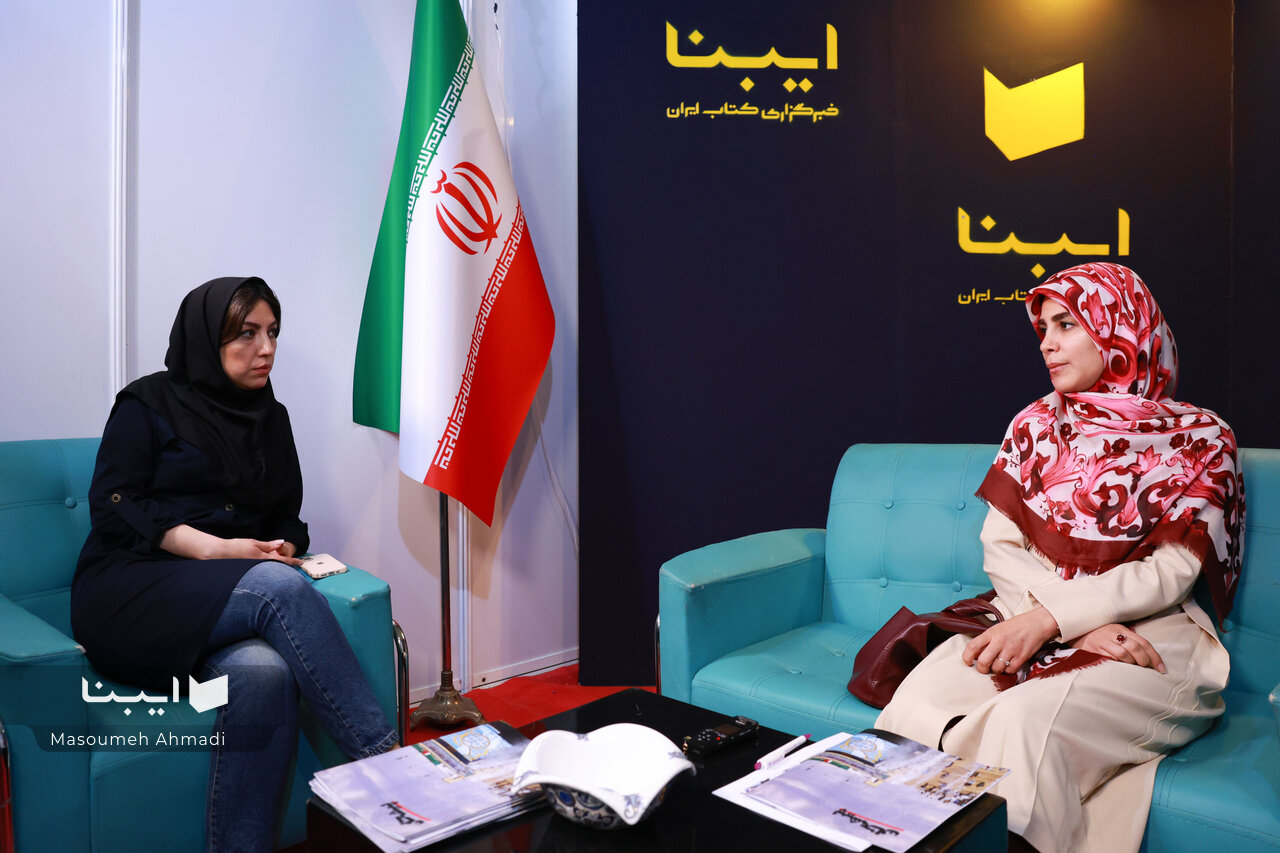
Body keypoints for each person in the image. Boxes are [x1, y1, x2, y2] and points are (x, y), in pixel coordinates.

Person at [876, 263, 1244, 853]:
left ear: (1119, 328)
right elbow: (1001, 547)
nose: (1046, 342)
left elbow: (1173, 571)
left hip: (1147, 634)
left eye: (1067, 324)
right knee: (917, 703)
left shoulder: (1202, 439)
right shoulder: (1035, 424)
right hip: (1024, 612)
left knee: (1026, 723)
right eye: (1043, 327)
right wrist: (1056, 621)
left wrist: (1057, 619)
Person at [72, 276, 398, 853]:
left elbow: (286, 516)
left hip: (219, 600)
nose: (266, 348)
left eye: (272, 332)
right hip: (132, 592)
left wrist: (284, 546)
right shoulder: (146, 403)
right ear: (207, 337)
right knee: (275, 587)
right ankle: (392, 768)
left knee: (264, 674)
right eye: (247, 334)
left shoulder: (271, 418)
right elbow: (115, 506)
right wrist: (216, 548)